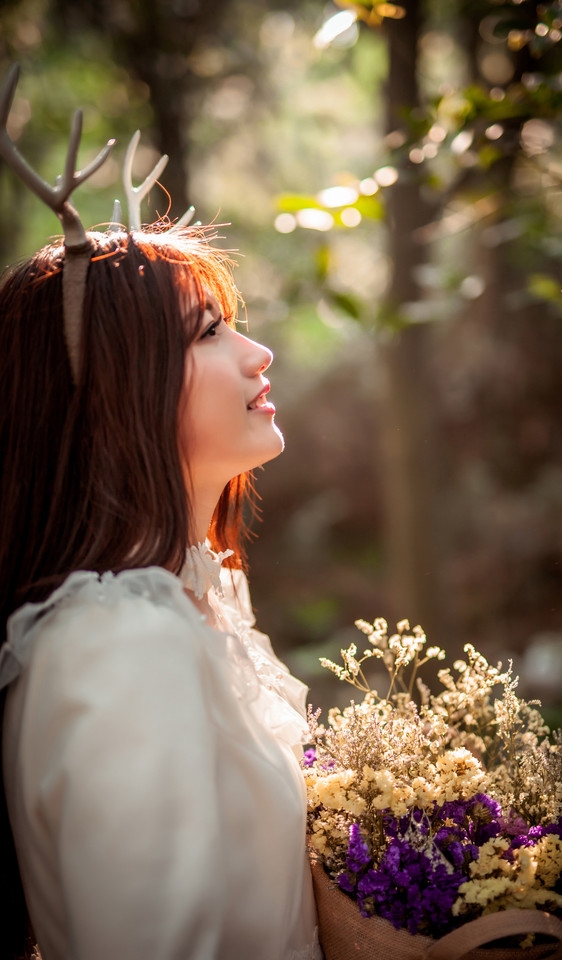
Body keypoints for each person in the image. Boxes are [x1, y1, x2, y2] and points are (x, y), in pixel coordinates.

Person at [0, 71, 320, 960]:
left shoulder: (191, 602)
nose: (259, 353)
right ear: (117, 397)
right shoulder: (116, 645)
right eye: (209, 332)